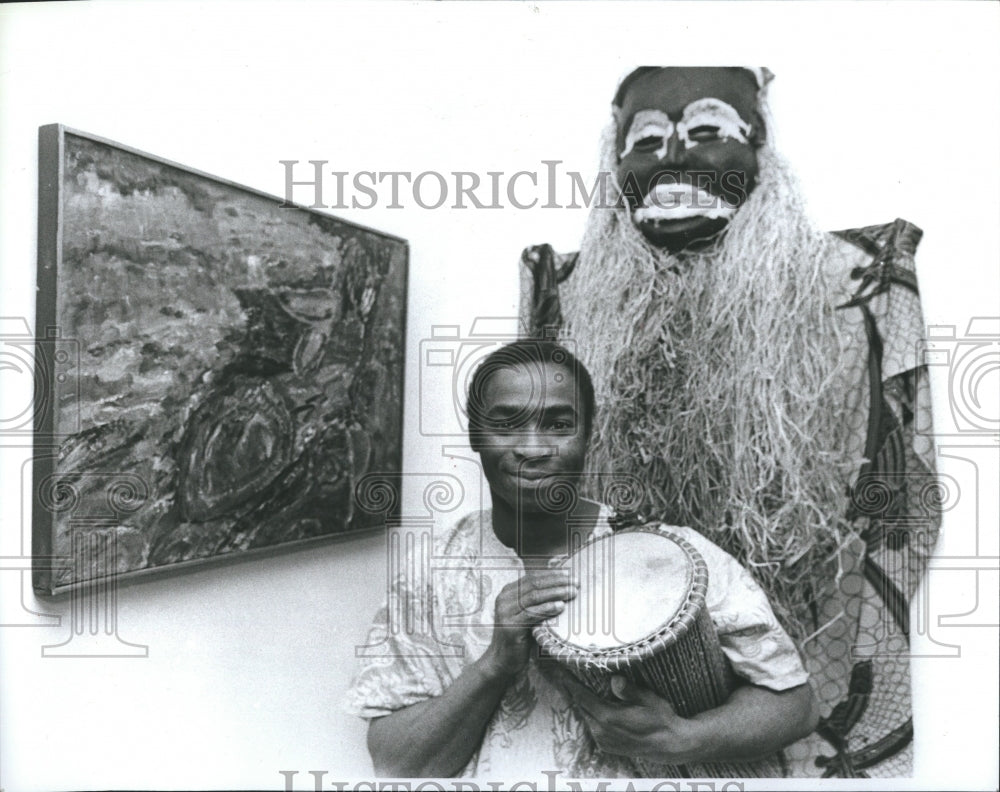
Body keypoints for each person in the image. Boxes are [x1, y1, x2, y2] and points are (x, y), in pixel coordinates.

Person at [519, 66, 938, 777]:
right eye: (645, 142)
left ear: (762, 149)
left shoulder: (854, 292)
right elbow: (541, 493)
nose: (675, 159)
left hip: (797, 671)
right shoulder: (567, 303)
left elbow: (903, 501)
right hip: (623, 663)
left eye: (709, 132)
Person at [345, 339, 818, 779]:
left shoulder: (674, 555)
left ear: (589, 434)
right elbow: (395, 766)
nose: (533, 448)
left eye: (557, 424)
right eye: (507, 423)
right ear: (474, 433)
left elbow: (797, 705)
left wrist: (685, 739)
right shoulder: (431, 571)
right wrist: (493, 665)